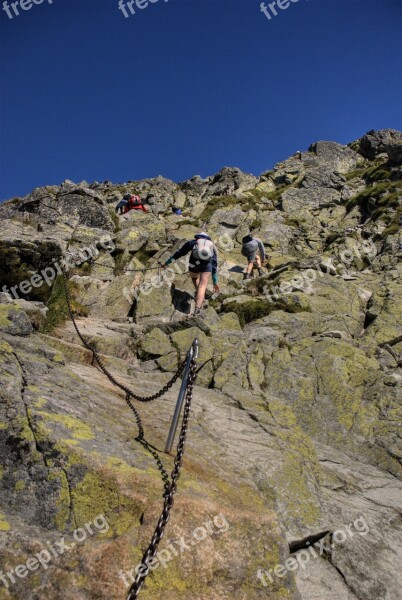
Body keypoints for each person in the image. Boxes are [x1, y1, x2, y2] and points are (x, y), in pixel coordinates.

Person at [162, 232, 220, 316]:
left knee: (195, 278)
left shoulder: (193, 242)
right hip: (207, 265)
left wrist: (166, 263)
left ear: (198, 237)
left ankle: (201, 296)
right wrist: (215, 282)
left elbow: (179, 253)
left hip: (194, 264)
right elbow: (214, 264)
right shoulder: (211, 246)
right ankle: (197, 308)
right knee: (202, 285)